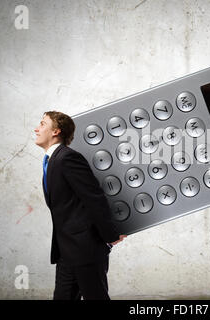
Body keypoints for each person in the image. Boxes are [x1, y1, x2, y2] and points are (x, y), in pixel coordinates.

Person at [34, 110, 127, 300]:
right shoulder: (52, 161)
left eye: (42, 124)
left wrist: (110, 234)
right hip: (67, 251)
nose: (36, 129)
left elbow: (94, 197)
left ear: (56, 131)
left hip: (85, 250)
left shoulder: (67, 158)